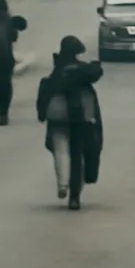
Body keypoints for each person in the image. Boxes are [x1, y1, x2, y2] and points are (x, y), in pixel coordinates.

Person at [35, 36, 104, 210]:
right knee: (77, 154)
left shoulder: (56, 72)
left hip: (58, 119)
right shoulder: (83, 71)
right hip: (81, 119)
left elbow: (45, 95)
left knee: (61, 151)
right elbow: (96, 72)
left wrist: (42, 114)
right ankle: (75, 196)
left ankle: (62, 185)